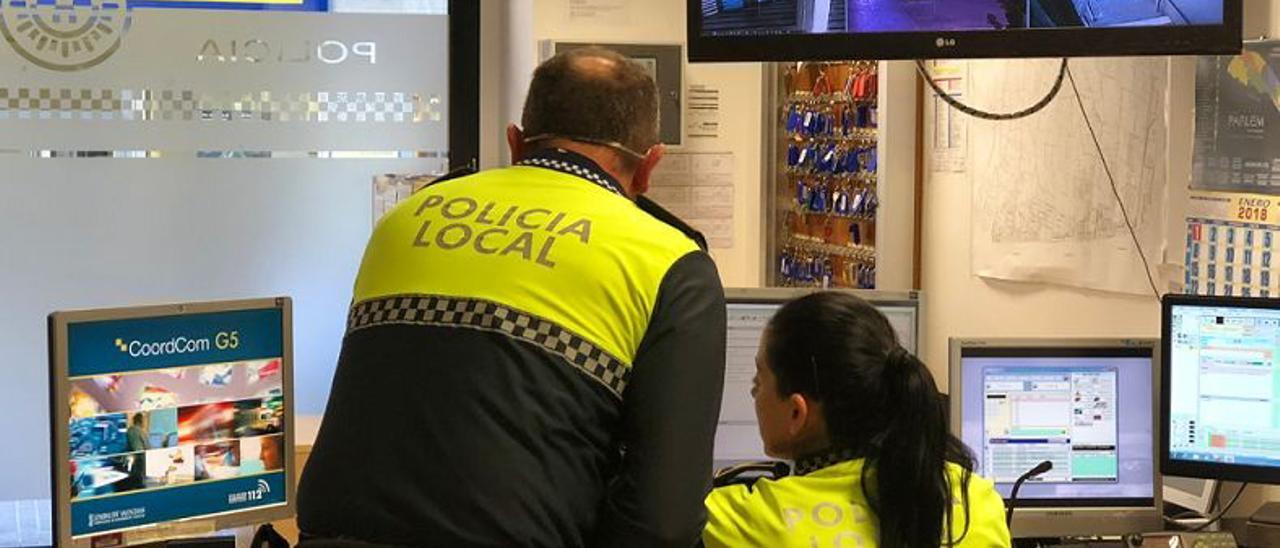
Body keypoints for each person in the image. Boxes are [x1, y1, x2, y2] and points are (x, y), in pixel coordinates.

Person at [297, 47, 727, 547]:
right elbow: (663, 522)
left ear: (516, 143)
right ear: (650, 166)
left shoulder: (407, 217)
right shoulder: (671, 262)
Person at [702, 292, 1010, 547]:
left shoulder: (745, 523)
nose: (754, 392)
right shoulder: (978, 501)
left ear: (797, 413)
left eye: (759, 379)